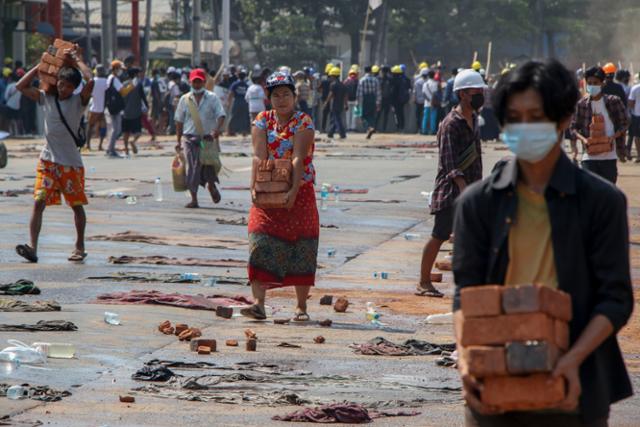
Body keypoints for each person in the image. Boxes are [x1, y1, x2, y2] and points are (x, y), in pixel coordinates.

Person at [454, 59, 633, 427]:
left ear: (564, 118)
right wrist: (467, 359)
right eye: (514, 118)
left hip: (575, 384)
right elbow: (466, 293)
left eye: (536, 116)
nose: (525, 128)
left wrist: (571, 360)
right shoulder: (477, 203)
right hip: (495, 384)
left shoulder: (601, 202)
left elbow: (616, 299)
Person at [242, 72, 318, 321]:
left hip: (300, 189)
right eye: (276, 95)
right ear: (268, 98)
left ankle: (301, 307)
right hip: (267, 189)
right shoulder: (262, 120)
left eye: (286, 94)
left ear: (294, 97)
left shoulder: (303, 121)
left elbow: (298, 156)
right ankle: (258, 304)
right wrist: (254, 185)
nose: (281, 100)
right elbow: (258, 155)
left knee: (302, 245)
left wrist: (294, 190)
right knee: (259, 240)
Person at [14, 45, 94, 263]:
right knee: (38, 203)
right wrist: (42, 65)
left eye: (67, 86)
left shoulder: (79, 102)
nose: (62, 88)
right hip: (47, 160)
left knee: (76, 206)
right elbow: (21, 86)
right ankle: (32, 247)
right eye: (60, 83)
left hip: (70, 163)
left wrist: (76, 60)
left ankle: (79, 246)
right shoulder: (46, 98)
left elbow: (91, 81)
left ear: (74, 88)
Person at [416, 69, 486, 298]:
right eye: (477, 91)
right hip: (451, 191)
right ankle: (424, 282)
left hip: (471, 188)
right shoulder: (450, 124)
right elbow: (449, 163)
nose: (480, 94)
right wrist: (464, 189)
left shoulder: (474, 119)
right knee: (440, 234)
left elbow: (476, 155)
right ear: (464, 94)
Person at [174, 68, 226, 209]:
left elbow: (221, 115)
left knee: (209, 167)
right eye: (194, 82)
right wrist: (178, 141)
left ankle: (211, 186)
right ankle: (194, 198)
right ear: (191, 82)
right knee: (193, 167)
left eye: (199, 82)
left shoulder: (212, 97)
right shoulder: (185, 99)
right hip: (189, 139)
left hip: (206, 139)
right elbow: (179, 121)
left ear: (204, 82)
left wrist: (216, 131)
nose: (197, 84)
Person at [571, 66, 628, 183]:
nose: (592, 86)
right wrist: (584, 140)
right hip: (589, 156)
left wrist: (613, 137)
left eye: (595, 83)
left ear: (603, 83)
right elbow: (573, 127)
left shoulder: (614, 101)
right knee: (589, 192)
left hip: (609, 156)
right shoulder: (581, 104)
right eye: (589, 83)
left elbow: (625, 123)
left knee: (608, 192)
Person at [105, 60, 134, 157]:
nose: (121, 71)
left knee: (113, 129)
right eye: (120, 69)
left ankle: (109, 148)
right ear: (116, 69)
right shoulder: (115, 79)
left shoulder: (110, 78)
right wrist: (131, 86)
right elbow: (123, 92)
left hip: (110, 106)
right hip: (115, 107)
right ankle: (111, 150)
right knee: (116, 129)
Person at [121, 67, 147, 157]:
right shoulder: (138, 84)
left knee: (126, 132)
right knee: (138, 132)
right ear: (136, 74)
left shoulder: (124, 84)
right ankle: (133, 141)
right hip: (136, 112)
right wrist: (147, 107)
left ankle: (126, 149)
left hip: (125, 112)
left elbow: (121, 97)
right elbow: (143, 97)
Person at [87, 64, 108, 151]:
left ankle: (88, 145)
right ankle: (100, 145)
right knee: (103, 127)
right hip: (102, 109)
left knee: (90, 127)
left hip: (93, 108)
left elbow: (89, 93)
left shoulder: (93, 81)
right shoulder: (106, 81)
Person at [324, 67, 348, 139]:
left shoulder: (333, 84)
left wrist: (326, 102)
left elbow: (330, 94)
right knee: (334, 118)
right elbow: (345, 96)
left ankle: (342, 133)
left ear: (333, 76)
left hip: (334, 104)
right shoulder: (343, 84)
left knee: (337, 119)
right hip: (340, 104)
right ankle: (330, 133)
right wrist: (345, 104)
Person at [227, 68, 250, 136]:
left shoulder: (235, 84)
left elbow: (231, 93)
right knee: (244, 116)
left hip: (237, 101)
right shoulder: (246, 85)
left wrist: (228, 102)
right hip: (244, 102)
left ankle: (230, 131)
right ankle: (244, 131)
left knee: (234, 116)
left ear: (238, 76)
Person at [391, 65, 411, 132]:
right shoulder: (405, 80)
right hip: (402, 100)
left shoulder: (393, 80)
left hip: (395, 100)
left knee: (396, 114)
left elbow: (393, 92)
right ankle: (402, 127)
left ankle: (398, 127)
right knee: (401, 113)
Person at [422, 69, 441, 135]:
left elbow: (424, 94)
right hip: (434, 103)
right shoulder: (436, 84)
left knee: (426, 117)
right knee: (433, 117)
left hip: (427, 103)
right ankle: (432, 130)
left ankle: (424, 130)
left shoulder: (425, 84)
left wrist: (429, 100)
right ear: (434, 75)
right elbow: (437, 94)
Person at [376, 65, 393, 132]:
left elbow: (391, 89)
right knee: (378, 114)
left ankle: (384, 129)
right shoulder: (379, 79)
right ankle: (375, 128)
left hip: (386, 99)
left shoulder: (389, 79)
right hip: (381, 99)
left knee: (385, 115)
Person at [627, 73, 640, 162]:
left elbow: (631, 103)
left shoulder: (635, 88)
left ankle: (639, 156)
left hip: (637, 115)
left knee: (637, 136)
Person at [319, 63, 333, 132]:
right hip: (333, 99)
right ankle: (331, 129)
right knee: (332, 115)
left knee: (324, 114)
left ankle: (323, 129)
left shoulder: (324, 81)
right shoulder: (333, 82)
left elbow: (319, 89)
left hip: (324, 99)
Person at [414, 68, 428, 134]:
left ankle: (419, 129)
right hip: (426, 101)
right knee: (424, 116)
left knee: (418, 116)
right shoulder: (427, 82)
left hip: (418, 101)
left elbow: (414, 92)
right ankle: (424, 129)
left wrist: (414, 99)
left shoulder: (417, 82)